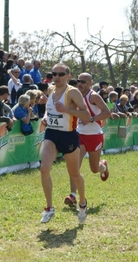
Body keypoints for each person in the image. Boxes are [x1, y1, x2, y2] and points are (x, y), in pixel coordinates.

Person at [39, 63, 90, 223]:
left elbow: (86, 115)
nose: (57, 77)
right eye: (54, 74)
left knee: (74, 174)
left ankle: (82, 202)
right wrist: (46, 116)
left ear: (68, 76)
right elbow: (50, 108)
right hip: (52, 133)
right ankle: (49, 208)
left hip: (68, 135)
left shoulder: (72, 92)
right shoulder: (50, 89)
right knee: (44, 168)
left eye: (61, 74)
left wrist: (67, 110)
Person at [64, 73, 112, 208]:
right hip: (79, 135)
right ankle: (72, 195)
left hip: (95, 135)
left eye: (84, 82)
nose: (80, 84)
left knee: (94, 169)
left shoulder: (94, 96)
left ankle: (103, 166)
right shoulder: (74, 95)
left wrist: (90, 119)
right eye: (79, 81)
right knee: (74, 166)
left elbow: (107, 113)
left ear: (90, 83)